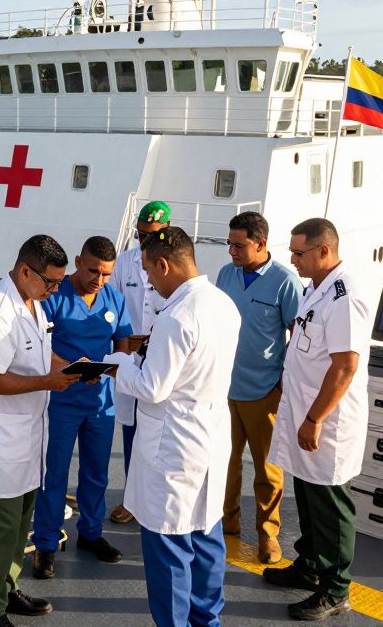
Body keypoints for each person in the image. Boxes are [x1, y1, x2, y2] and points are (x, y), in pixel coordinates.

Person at [103, 227, 240, 627]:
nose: (148, 281)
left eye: (149, 272)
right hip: (210, 438)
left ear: (164, 264)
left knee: (168, 548)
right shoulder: (222, 304)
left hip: (174, 448)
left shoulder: (176, 316)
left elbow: (152, 388)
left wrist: (119, 365)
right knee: (206, 538)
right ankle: (207, 622)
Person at [0, 235, 80, 627]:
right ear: (25, 271)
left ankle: (6, 588)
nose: (56, 289)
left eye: (60, 282)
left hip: (29, 439)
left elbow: (40, 352)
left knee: (19, 528)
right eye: (51, 282)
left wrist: (72, 368)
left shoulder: (31, 302)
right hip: (1, 444)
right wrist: (49, 382)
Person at [263, 218, 371, 621]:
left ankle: (337, 589)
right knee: (307, 494)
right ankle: (310, 566)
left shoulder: (344, 297)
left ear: (324, 250)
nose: (292, 260)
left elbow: (344, 366)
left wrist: (314, 418)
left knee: (332, 504)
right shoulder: (317, 289)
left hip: (327, 420)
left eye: (298, 253)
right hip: (305, 412)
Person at [31, 236, 134, 579]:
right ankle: (45, 545)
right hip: (60, 401)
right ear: (78, 260)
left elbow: (122, 339)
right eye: (93, 271)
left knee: (97, 473)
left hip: (100, 402)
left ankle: (91, 534)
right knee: (54, 475)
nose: (99, 280)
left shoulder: (113, 298)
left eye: (106, 274)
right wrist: (73, 366)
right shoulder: (54, 297)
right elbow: (37, 343)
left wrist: (115, 364)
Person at [215, 211, 302, 565]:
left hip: (264, 389)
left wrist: (284, 380)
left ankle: (268, 534)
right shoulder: (226, 274)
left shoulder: (285, 281)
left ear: (261, 244)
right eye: (229, 244)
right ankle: (227, 522)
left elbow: (298, 336)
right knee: (224, 461)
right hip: (222, 387)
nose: (231, 252)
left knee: (267, 468)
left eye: (238, 246)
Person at [106, 199, 170, 524]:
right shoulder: (125, 263)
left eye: (152, 236)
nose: (145, 241)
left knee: (161, 433)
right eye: (141, 234)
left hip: (164, 360)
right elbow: (114, 306)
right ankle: (132, 500)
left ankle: (156, 498)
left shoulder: (176, 266)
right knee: (131, 430)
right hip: (131, 361)